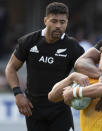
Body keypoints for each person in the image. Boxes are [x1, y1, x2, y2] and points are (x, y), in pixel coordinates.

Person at [5, 2, 84, 131]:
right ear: (45, 20)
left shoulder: (73, 47)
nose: (58, 26)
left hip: (60, 109)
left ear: (67, 22)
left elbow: (84, 72)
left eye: (62, 22)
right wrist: (18, 94)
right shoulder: (29, 41)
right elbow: (11, 68)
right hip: (33, 109)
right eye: (54, 21)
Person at [48, 42, 102, 131]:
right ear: (99, 62)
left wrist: (74, 92)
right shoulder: (86, 79)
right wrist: (71, 77)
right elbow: (52, 96)